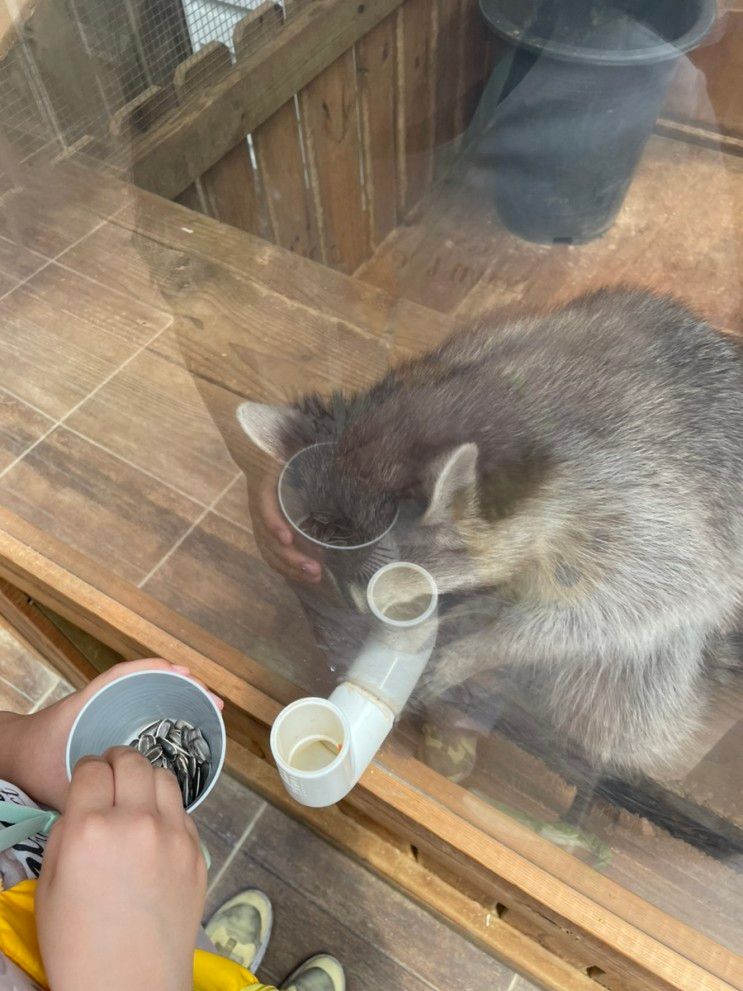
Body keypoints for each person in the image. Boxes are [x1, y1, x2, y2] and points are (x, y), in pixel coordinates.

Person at [0, 658, 345, 991]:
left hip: (143, 903)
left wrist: (25, 749)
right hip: (145, 936)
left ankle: (214, 962)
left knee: (189, 946)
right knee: (183, 952)